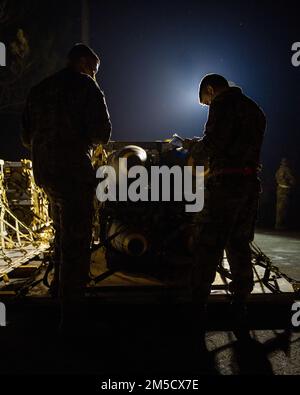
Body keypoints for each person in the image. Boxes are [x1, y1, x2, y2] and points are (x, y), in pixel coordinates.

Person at [21, 44, 112, 315]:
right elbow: (102, 134)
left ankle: (58, 289)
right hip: (73, 171)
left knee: (62, 233)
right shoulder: (86, 87)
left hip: (45, 172)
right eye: (93, 69)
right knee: (77, 241)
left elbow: (26, 138)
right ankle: (72, 313)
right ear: (83, 62)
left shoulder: (39, 89)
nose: (94, 75)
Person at [184, 74, 266, 336]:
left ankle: (197, 310)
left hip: (226, 185)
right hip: (249, 184)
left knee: (208, 244)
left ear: (211, 89)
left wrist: (193, 149)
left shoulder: (223, 104)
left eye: (207, 102)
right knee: (240, 244)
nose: (209, 106)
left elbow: (213, 143)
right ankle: (239, 305)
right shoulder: (255, 108)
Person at [275, 158, 296, 230]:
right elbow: (293, 180)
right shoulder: (287, 170)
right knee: (283, 208)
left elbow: (276, 178)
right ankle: (281, 225)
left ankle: (278, 225)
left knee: (279, 208)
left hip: (280, 190)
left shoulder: (279, 170)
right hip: (285, 190)